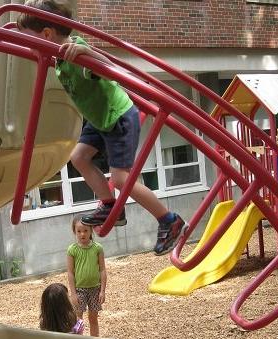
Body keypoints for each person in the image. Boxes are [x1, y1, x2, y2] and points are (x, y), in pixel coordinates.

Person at [17, 0, 187, 255]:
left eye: (28, 40)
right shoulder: (59, 58)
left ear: (47, 34)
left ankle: (169, 219)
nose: (28, 47)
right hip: (98, 120)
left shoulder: (75, 52)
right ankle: (110, 207)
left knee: (120, 178)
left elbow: (107, 71)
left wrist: (89, 55)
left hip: (117, 116)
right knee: (79, 157)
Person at [67, 217, 106, 337]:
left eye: (85, 230)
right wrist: (73, 293)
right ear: (74, 232)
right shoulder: (72, 250)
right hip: (79, 290)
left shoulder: (98, 248)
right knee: (78, 318)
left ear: (91, 231)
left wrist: (102, 291)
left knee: (93, 318)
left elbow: (102, 270)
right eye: (79, 231)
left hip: (95, 289)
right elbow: (70, 273)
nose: (82, 234)